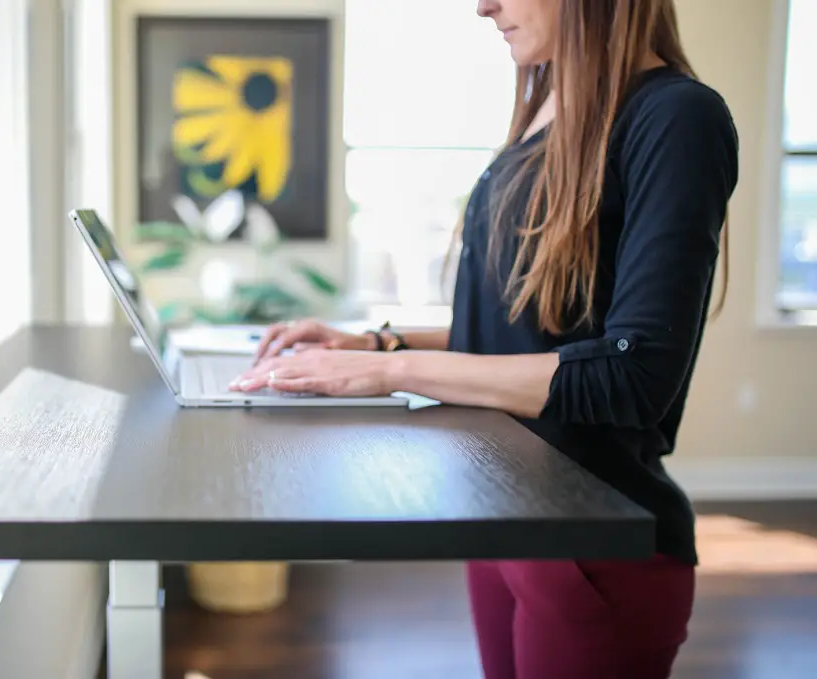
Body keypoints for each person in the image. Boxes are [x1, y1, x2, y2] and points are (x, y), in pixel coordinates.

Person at [230, 0, 739, 677]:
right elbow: (526, 329)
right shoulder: (548, 102)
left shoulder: (676, 118)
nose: (482, 5)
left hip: (594, 544)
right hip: (505, 513)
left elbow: (631, 374)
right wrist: (378, 345)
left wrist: (395, 373)